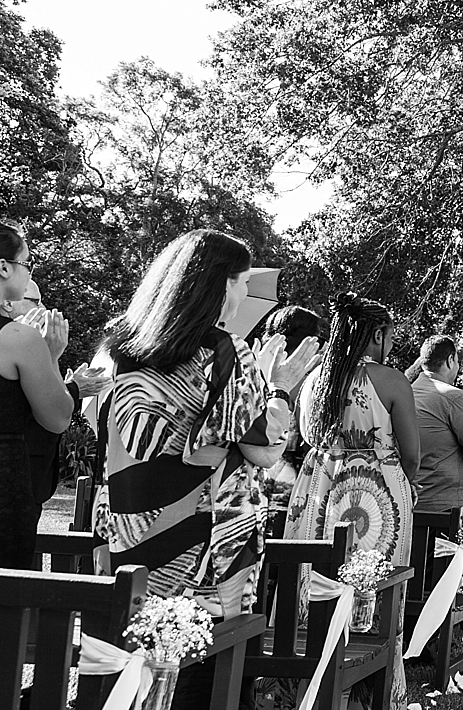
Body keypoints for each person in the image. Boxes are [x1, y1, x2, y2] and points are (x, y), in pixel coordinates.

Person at [93, 229, 314, 616]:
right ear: (221, 284)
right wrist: (278, 387)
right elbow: (261, 444)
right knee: (199, 652)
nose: (245, 294)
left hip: (122, 518)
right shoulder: (225, 352)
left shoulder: (116, 346)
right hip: (203, 531)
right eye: (243, 282)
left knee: (119, 648)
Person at [286, 291, 419, 710]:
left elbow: (305, 438)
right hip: (379, 494)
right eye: (390, 337)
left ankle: (304, 702)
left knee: (317, 583)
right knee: (375, 589)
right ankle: (365, 705)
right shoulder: (393, 381)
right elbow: (413, 454)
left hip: (321, 489)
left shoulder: (313, 381)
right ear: (377, 334)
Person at [0, 220, 98, 568]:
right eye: (27, 263)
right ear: (4, 267)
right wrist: (51, 354)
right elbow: (56, 417)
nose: (28, 272)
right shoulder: (18, 339)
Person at [3, 278, 109, 507]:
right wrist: (74, 388)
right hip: (13, 475)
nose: (43, 309)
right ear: (8, 303)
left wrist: (70, 384)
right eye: (36, 301)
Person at [410, 335, 463, 514]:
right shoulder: (455, 397)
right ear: (450, 360)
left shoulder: (405, 393)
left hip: (410, 500)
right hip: (450, 503)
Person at [259, 305, 324, 519]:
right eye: (318, 338)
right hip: (295, 476)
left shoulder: (259, 366)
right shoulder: (309, 376)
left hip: (259, 472)